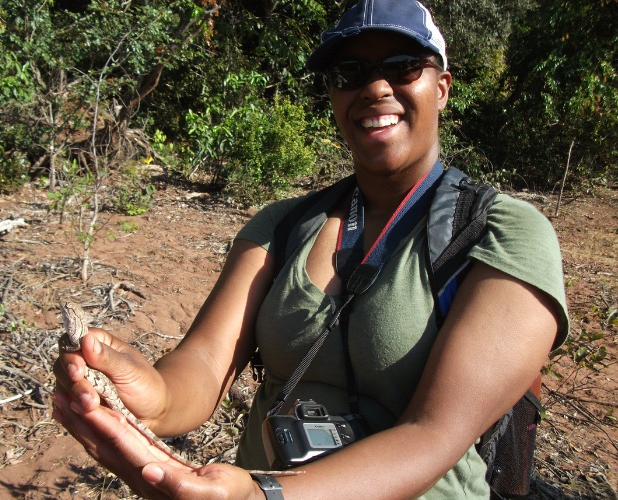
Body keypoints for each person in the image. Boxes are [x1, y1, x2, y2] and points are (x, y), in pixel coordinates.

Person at [53, 0, 569, 498]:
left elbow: (433, 433)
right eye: (350, 72)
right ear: (332, 93)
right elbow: (208, 363)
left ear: (442, 87)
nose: (375, 88)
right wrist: (153, 397)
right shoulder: (284, 225)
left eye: (403, 66)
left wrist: (264, 494)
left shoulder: (499, 232)